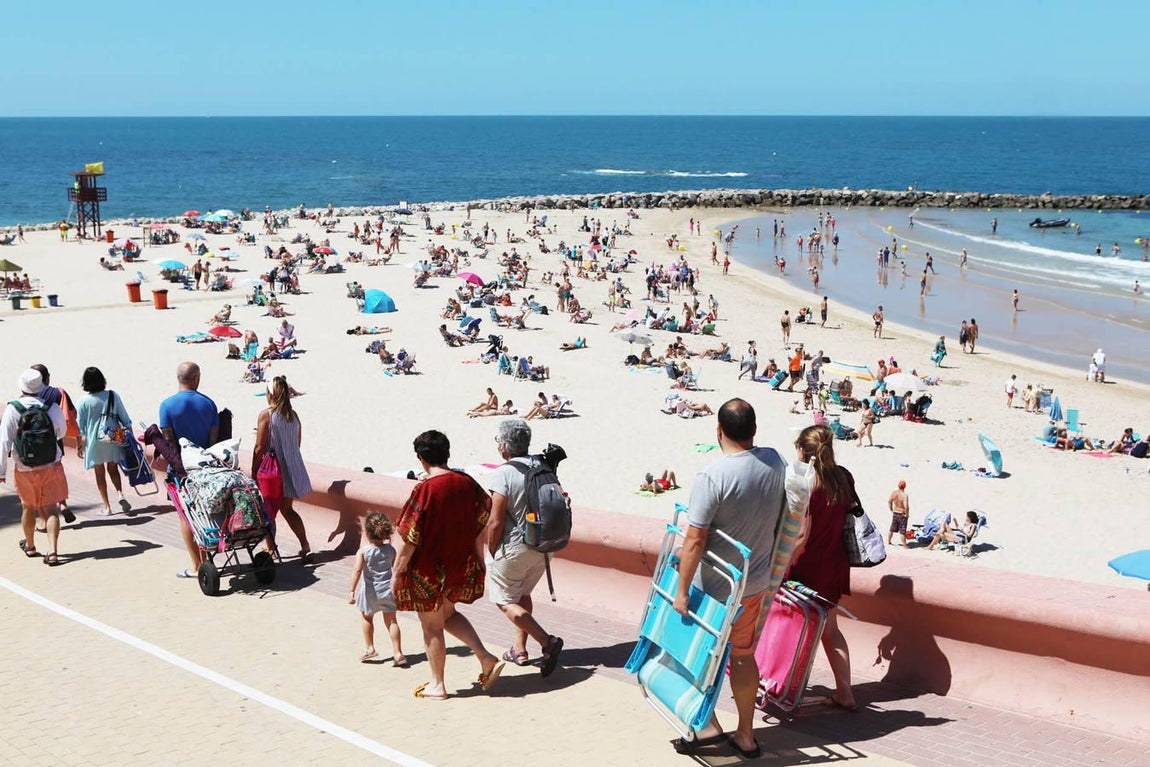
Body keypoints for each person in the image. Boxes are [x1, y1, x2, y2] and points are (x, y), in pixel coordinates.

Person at [671, 399, 785, 759]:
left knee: (697, 657)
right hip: (753, 583)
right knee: (743, 656)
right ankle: (747, 735)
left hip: (716, 587)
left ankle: (705, 728)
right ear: (754, 430)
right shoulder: (774, 462)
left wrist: (681, 592)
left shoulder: (713, 476)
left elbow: (694, 540)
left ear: (718, 431)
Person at [393, 430, 504, 700]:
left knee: (431, 626)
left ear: (421, 459)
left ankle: (437, 685)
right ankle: (486, 658)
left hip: (428, 570)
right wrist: (479, 559)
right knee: (448, 615)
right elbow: (481, 523)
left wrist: (397, 572)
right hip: (458, 564)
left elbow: (410, 538)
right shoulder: (468, 483)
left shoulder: (424, 490)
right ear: (447, 454)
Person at [787, 424, 858, 712]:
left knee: (792, 626)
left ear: (804, 451)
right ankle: (845, 693)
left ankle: (782, 686)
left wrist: (781, 566)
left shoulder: (808, 483)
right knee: (830, 630)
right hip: (835, 562)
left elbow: (802, 535)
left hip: (809, 566)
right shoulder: (843, 478)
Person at [485, 419, 564, 674]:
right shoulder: (542, 465)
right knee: (522, 596)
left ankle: (547, 641)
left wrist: (492, 549)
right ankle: (519, 649)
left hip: (515, 548)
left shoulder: (503, 473)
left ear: (505, 446)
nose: (498, 445)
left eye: (498, 441)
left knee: (504, 600)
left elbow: (495, 521)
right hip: (544, 547)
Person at [1, 370, 69, 566]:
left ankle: (30, 546)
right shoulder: (52, 407)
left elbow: (4, 441)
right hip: (51, 464)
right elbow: (61, 432)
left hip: (24, 467)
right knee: (51, 509)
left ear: (22, 387)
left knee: (28, 506)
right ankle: (53, 552)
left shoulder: (13, 409)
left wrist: (1, 470)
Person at [159, 362, 219, 578]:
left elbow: (168, 441)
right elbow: (213, 441)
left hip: (180, 469)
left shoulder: (166, 406)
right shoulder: (209, 404)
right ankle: (206, 560)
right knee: (204, 514)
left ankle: (196, 566)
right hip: (204, 467)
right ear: (196, 378)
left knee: (185, 516)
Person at [251, 376, 313, 563]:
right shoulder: (293, 416)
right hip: (291, 469)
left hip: (273, 473)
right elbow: (297, 443)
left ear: (270, 393)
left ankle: (271, 549)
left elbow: (259, 447)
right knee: (288, 509)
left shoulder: (266, 415)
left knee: (268, 512)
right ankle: (305, 545)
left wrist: (254, 471)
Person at [349, 511, 406, 666]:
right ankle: (398, 652)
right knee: (392, 621)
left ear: (366, 532)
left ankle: (370, 648)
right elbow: (395, 569)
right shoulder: (391, 550)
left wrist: (351, 591)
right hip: (388, 590)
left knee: (367, 617)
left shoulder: (364, 552)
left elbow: (357, 571)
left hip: (370, 592)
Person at [75, 367, 133, 517]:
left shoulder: (84, 401)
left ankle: (107, 507)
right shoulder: (113, 396)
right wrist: (129, 434)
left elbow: (80, 426)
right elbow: (125, 418)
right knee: (113, 469)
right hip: (113, 438)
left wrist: (79, 445)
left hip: (94, 441)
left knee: (99, 474)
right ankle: (120, 494)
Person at [887, 480, 909, 547]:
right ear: (905, 487)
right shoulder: (904, 496)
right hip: (902, 514)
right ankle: (904, 545)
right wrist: (907, 514)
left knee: (892, 529)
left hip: (895, 512)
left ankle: (889, 541)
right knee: (902, 531)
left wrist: (891, 509)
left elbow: (889, 501)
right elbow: (906, 506)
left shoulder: (894, 493)